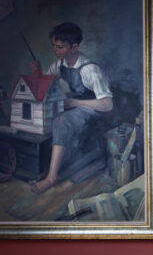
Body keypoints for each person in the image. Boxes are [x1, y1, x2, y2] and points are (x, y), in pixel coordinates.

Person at [29, 22, 113, 194]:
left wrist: (75, 103)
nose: (55, 49)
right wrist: (37, 73)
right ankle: (43, 165)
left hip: (94, 113)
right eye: (53, 45)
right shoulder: (60, 65)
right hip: (76, 109)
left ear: (74, 47)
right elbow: (44, 84)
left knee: (60, 119)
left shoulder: (90, 70)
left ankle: (51, 178)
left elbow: (107, 104)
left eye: (59, 47)